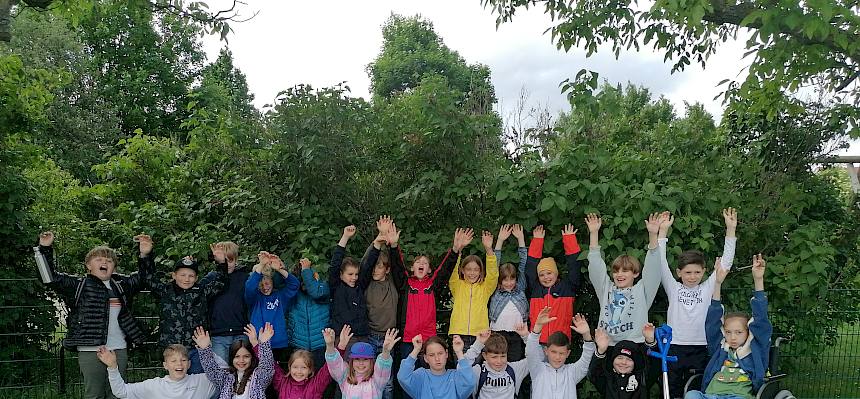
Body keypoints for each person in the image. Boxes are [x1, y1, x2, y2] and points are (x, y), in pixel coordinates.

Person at [35, 231, 148, 399]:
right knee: (94, 395)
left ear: (114, 266)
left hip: (119, 349)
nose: (104, 262)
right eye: (99, 259)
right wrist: (44, 248)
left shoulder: (121, 285)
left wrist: (145, 254)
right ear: (88, 265)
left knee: (118, 394)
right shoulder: (78, 285)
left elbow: (145, 277)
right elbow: (48, 277)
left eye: (109, 260)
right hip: (90, 349)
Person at [658, 209, 737, 398]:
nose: (692, 277)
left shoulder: (708, 287)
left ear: (703, 272)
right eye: (687, 272)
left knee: (699, 389)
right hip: (675, 345)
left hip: (702, 346)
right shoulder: (673, 287)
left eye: (697, 272)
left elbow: (725, 265)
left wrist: (731, 229)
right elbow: (660, 263)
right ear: (679, 273)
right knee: (672, 389)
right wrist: (662, 233)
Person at [684, 254, 773, 399]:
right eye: (728, 332)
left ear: (748, 332)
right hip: (712, 395)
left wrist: (758, 279)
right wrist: (717, 283)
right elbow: (712, 321)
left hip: (738, 396)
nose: (732, 337)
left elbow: (761, 319)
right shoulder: (720, 348)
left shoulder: (756, 347)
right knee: (691, 395)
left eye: (738, 332)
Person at [145, 240, 228, 374]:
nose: (186, 279)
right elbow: (148, 278)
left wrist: (221, 262)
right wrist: (146, 255)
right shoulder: (165, 291)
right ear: (174, 275)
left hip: (196, 349)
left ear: (196, 278)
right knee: (173, 386)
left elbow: (221, 282)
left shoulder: (201, 292)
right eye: (182, 275)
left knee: (195, 384)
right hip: (171, 349)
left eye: (191, 276)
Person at [391, 228, 469, 369]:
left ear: (429, 270)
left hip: (429, 340)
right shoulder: (405, 285)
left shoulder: (433, 286)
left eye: (425, 263)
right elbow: (396, 266)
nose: (421, 264)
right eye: (418, 262)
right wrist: (393, 247)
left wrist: (455, 250)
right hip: (408, 340)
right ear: (411, 268)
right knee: (406, 376)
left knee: (430, 375)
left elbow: (445, 269)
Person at [585, 213, 662, 345]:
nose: (619, 274)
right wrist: (594, 234)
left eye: (625, 271)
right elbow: (595, 267)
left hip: (634, 345)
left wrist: (653, 235)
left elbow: (654, 268)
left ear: (636, 273)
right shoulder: (606, 289)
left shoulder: (642, 290)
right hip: (606, 345)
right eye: (616, 271)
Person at [363, 216, 406, 399]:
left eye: (379, 267)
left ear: (386, 270)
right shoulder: (365, 283)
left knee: (387, 382)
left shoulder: (393, 283)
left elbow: (397, 266)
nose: (375, 270)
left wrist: (394, 246)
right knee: (368, 377)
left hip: (390, 338)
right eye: (374, 267)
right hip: (371, 336)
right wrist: (378, 241)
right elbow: (366, 264)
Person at [524, 224, 583, 344]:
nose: (546, 277)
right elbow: (530, 267)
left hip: (560, 343)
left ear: (556, 273)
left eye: (549, 273)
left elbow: (574, 266)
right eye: (542, 274)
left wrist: (569, 239)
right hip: (537, 342)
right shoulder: (535, 289)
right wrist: (537, 241)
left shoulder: (567, 288)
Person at [97, 344, 217, 399]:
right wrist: (112, 367)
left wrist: (206, 348)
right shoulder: (154, 386)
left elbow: (225, 378)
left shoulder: (202, 381)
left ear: (189, 364)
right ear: (165, 365)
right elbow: (121, 392)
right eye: (173, 361)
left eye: (183, 360)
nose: (179, 364)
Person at [525, 307, 595, 399]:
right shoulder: (538, 370)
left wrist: (586, 334)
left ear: (568, 353)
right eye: (553, 352)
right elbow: (531, 352)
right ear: (546, 351)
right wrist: (537, 327)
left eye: (561, 353)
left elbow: (587, 359)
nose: (557, 357)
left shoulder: (572, 372)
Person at [449, 229, 499, 353]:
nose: (472, 273)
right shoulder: (457, 285)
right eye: (469, 269)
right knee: (461, 369)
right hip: (458, 333)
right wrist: (458, 250)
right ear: (463, 270)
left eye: (476, 269)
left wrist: (489, 250)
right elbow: (452, 270)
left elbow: (493, 274)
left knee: (476, 370)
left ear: (481, 271)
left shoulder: (485, 287)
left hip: (480, 335)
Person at [195, 323, 276, 399]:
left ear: (252, 357)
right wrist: (205, 349)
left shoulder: (258, 378)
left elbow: (267, 367)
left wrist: (264, 344)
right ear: (232, 358)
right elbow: (212, 371)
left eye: (246, 356)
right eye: (237, 356)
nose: (241, 360)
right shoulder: (227, 378)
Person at [244, 252, 300, 362]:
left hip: (279, 344)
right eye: (261, 283)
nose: (265, 286)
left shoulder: (280, 296)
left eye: (268, 282)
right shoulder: (254, 298)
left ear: (273, 281)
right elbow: (250, 287)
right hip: (258, 343)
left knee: (278, 376)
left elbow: (294, 285)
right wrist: (261, 265)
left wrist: (279, 270)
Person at [328, 225, 377, 348]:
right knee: (344, 367)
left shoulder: (359, 286)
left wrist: (377, 245)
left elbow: (369, 265)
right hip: (343, 337)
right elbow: (335, 264)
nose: (354, 277)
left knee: (364, 367)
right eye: (350, 274)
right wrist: (345, 237)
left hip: (363, 336)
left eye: (356, 274)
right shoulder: (336, 286)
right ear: (341, 275)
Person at [203, 241, 252, 364]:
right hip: (218, 333)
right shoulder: (211, 277)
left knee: (242, 369)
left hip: (241, 331)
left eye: (230, 260)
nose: (227, 264)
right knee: (220, 370)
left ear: (236, 259)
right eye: (223, 261)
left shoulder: (245, 277)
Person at [488, 224, 529, 361]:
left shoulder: (520, 288)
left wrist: (521, 239)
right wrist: (500, 240)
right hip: (497, 332)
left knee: (515, 365)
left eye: (512, 279)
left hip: (517, 334)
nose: (509, 283)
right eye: (505, 280)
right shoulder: (495, 290)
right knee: (496, 363)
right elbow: (494, 264)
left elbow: (524, 263)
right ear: (500, 280)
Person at [324, 326, 398, 399]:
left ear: (371, 362)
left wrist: (385, 352)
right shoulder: (345, 378)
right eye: (357, 359)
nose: (361, 363)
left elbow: (383, 368)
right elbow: (335, 364)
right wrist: (330, 346)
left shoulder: (377, 381)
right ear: (351, 361)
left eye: (365, 359)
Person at [397, 334, 476, 399]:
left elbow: (470, 382)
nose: (437, 358)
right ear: (425, 358)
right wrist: (416, 350)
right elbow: (403, 377)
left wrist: (459, 352)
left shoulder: (455, 376)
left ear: (446, 354)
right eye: (431, 355)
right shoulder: (421, 376)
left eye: (440, 353)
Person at [287, 256, 330, 371]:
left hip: (320, 345)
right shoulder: (293, 294)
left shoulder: (322, 288)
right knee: (299, 381)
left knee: (320, 383)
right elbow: (280, 283)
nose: (305, 282)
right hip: (298, 345)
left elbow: (315, 292)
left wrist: (306, 270)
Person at [589, 325, 657, 398]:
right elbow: (594, 373)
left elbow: (655, 365)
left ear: (635, 363)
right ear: (613, 360)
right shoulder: (607, 379)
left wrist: (650, 341)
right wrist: (601, 351)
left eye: (629, 359)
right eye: (620, 358)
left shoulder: (643, 378)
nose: (623, 362)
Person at [462, 329, 530, 399]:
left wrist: (526, 337)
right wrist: (478, 344)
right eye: (494, 357)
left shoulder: (515, 369)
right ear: (485, 356)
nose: (499, 361)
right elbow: (461, 370)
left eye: (503, 356)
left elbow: (536, 360)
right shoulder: (478, 371)